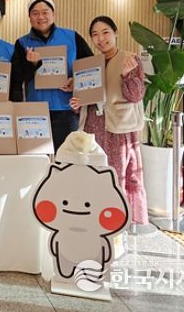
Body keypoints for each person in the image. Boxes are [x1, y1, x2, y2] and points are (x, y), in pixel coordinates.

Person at [70, 16, 148, 225]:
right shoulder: (90, 65)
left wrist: (127, 75)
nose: (101, 39)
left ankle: (118, 222)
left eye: (105, 32)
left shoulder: (130, 59)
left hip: (118, 129)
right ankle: (97, 219)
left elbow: (136, 96)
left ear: (115, 33)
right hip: (93, 127)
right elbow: (87, 98)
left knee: (117, 175)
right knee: (95, 173)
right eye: (95, 35)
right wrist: (78, 103)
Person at [10, 0, 93, 150]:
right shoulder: (22, 43)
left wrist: (76, 81)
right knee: (37, 158)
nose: (40, 17)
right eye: (35, 13)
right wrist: (32, 64)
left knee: (66, 156)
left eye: (45, 12)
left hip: (66, 110)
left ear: (53, 14)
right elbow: (17, 78)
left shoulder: (72, 37)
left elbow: (90, 66)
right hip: (34, 111)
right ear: (29, 17)